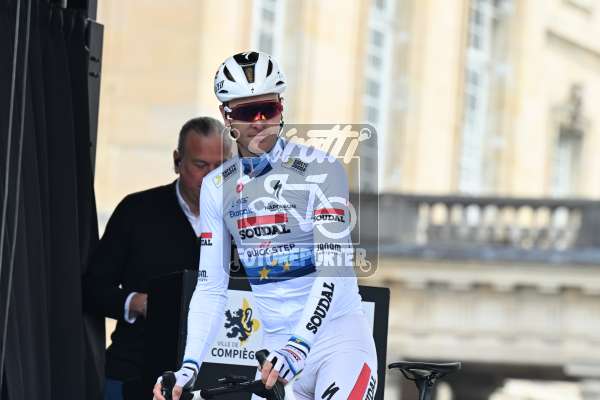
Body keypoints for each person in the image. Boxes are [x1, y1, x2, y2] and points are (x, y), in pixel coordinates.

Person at [153, 52, 377, 400]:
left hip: (338, 342)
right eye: (247, 112)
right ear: (226, 116)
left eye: (267, 109)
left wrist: (299, 346)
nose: (259, 122)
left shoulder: (323, 169)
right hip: (276, 354)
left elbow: (333, 270)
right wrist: (188, 368)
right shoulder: (216, 187)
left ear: (281, 108)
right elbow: (211, 287)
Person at [83, 117, 231, 400]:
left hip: (217, 378)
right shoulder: (137, 211)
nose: (213, 177)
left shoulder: (244, 222)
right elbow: (92, 289)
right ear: (177, 161)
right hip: (135, 372)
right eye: (201, 165)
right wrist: (136, 302)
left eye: (222, 167)